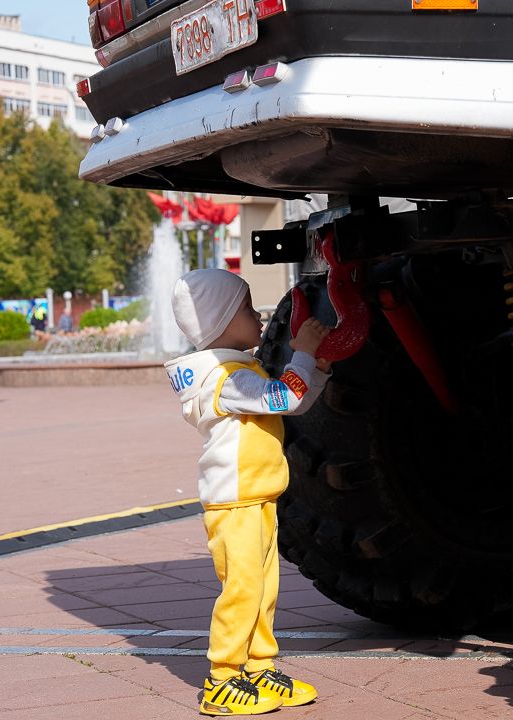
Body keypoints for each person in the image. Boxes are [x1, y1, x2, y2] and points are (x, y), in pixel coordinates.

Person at [166, 269, 330, 716]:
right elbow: (284, 399)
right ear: (218, 324)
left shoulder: (242, 372)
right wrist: (305, 354)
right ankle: (222, 678)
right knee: (242, 589)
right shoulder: (225, 379)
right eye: (244, 308)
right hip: (235, 501)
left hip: (256, 497)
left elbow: (292, 398)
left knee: (263, 589)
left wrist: (315, 367)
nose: (257, 314)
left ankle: (259, 668)